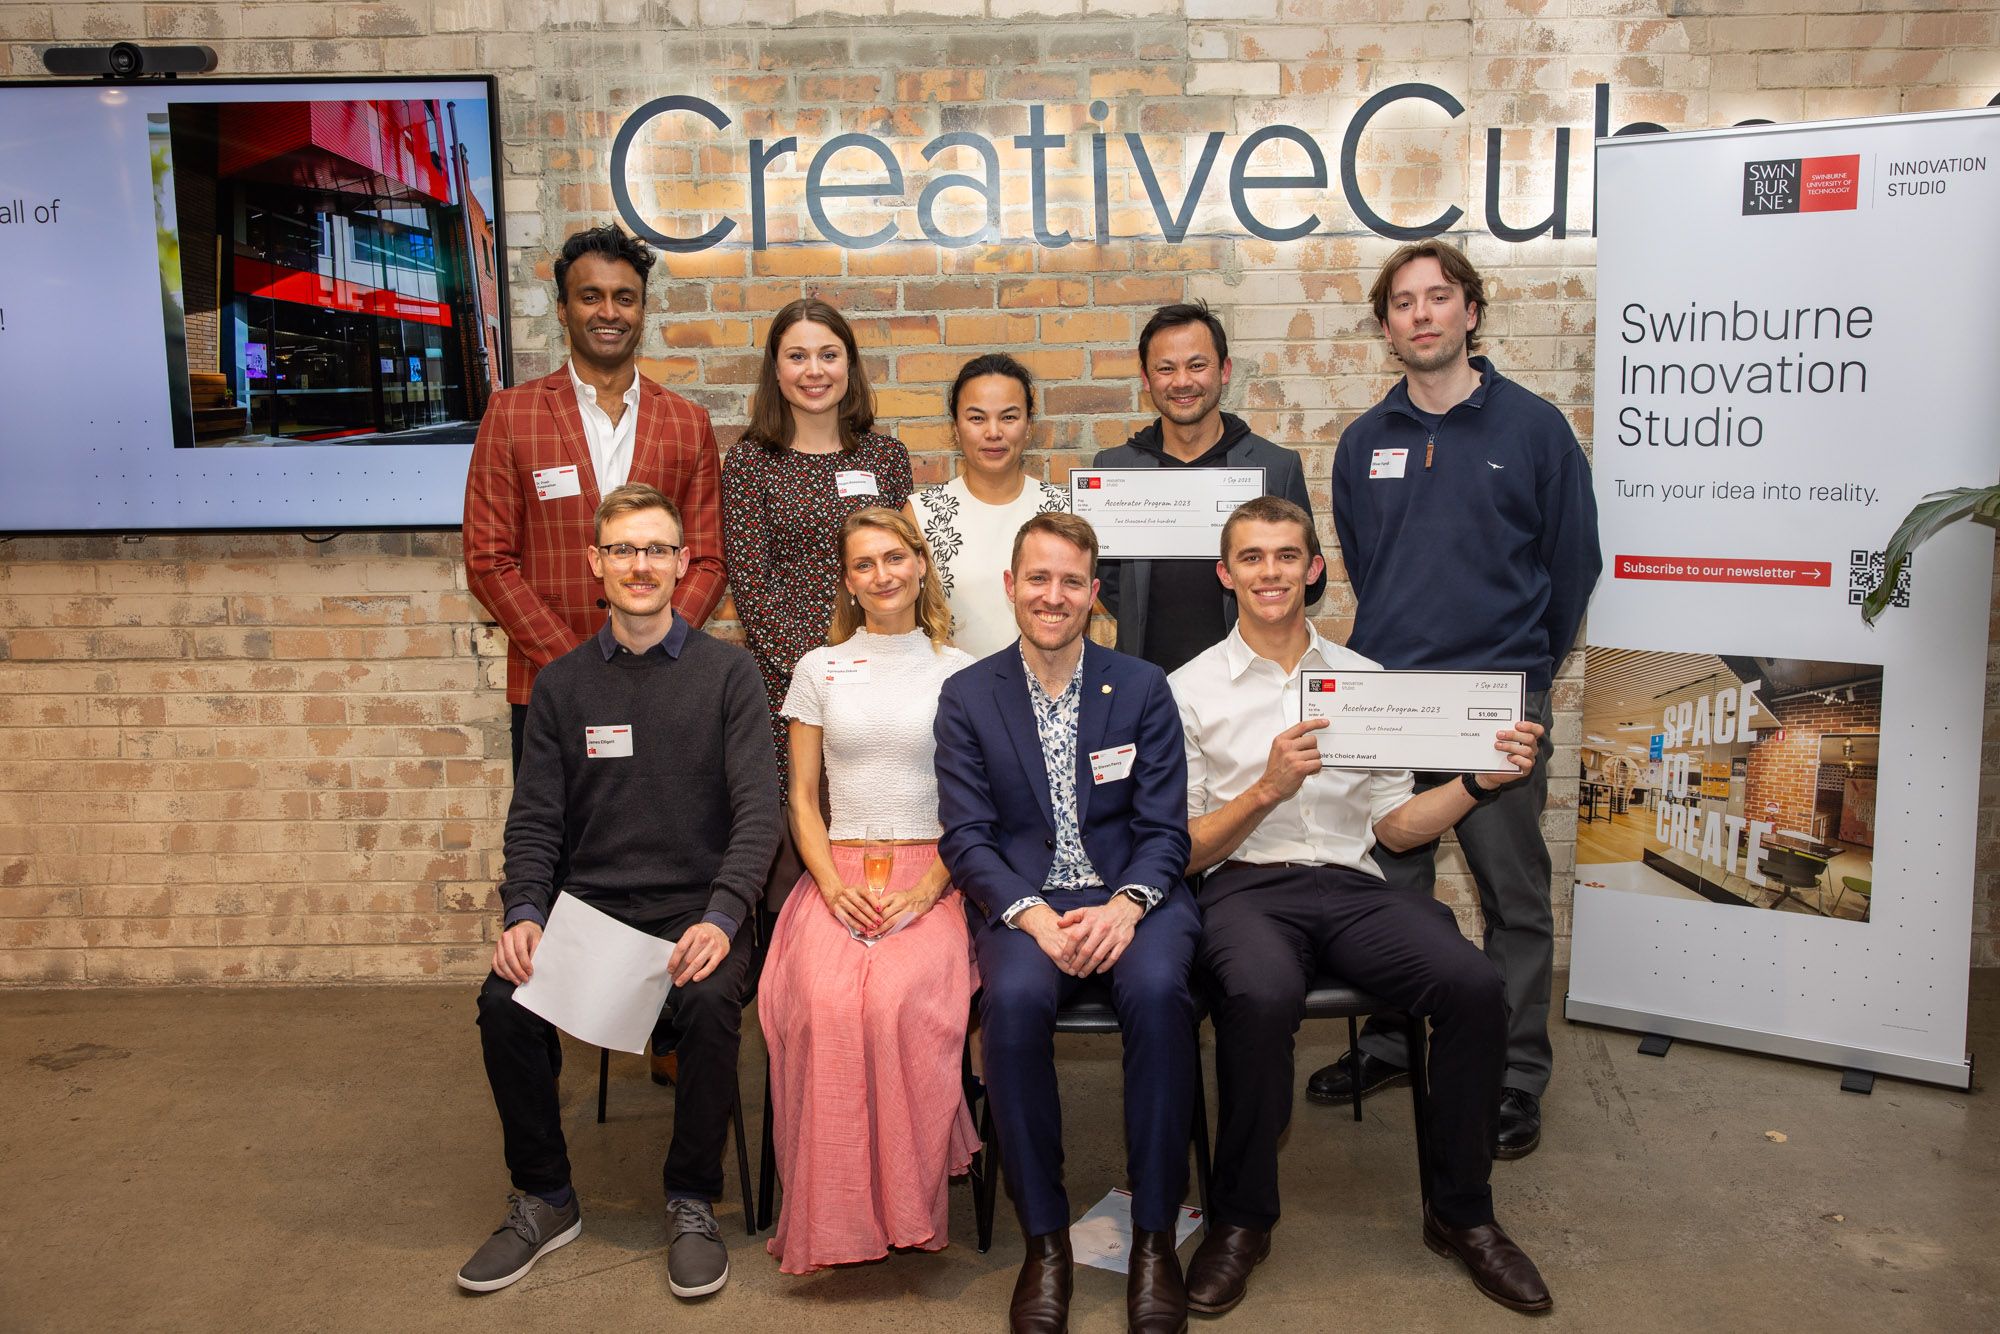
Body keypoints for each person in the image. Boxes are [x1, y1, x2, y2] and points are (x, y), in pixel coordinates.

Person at [1172, 495, 1553, 1316]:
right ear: (1225, 573)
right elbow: (1191, 849)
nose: (1269, 572)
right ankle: (1240, 1221)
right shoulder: (1187, 688)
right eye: (1251, 557)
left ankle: (1462, 1214)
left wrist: (1479, 781)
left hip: (1352, 886)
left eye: (1286, 556)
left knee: (1473, 985)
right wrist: (1267, 789)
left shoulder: (1367, 683)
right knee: (1257, 996)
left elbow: (1398, 831)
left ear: (1313, 570)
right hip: (1247, 886)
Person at [1314, 240, 1603, 1161]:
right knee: (1390, 893)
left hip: (1497, 704)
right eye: (1403, 303)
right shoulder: (1365, 442)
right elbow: (1369, 566)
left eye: (1440, 298)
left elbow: (1570, 568)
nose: (1423, 315)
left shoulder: (1535, 430)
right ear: (1387, 326)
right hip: (1392, 703)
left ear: (1471, 312)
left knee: (1511, 897)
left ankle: (1515, 1075)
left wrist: (1528, 678)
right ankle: (1396, 1038)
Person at [458, 484, 780, 1300]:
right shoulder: (562, 686)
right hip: (592, 913)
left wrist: (722, 914)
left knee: (709, 1009)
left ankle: (689, 1197)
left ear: (682, 564)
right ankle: (546, 1198)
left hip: (695, 910)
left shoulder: (728, 676)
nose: (642, 565)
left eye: (658, 549)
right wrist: (525, 912)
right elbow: (533, 822)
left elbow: (759, 815)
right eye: (624, 550)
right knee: (504, 1001)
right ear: (595, 564)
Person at [934, 513, 1199, 1334]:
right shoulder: (969, 694)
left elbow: (1166, 831)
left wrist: (1126, 904)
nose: (1054, 596)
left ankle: (1153, 1239)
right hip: (1025, 903)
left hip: (1133, 898)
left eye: (1072, 582)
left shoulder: (1143, 686)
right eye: (1038, 579)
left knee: (1159, 995)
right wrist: (1032, 915)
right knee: (1009, 1009)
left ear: (1094, 593)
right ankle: (1044, 1242)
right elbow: (966, 837)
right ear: (1011, 586)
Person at [758, 507, 979, 1273]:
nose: (881, 575)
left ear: (920, 564)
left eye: (894, 558)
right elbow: (803, 799)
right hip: (837, 873)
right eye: (863, 564)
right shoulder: (818, 668)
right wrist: (826, 885)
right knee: (821, 1003)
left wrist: (934, 885)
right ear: (846, 581)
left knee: (893, 1004)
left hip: (935, 873)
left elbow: (978, 804)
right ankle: (835, 1213)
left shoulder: (964, 671)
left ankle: (905, 1206)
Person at [463, 223, 726, 776]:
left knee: (670, 839)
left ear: (642, 311)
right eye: (591, 296)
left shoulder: (687, 422)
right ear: (562, 309)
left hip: (664, 686)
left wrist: (654, 647)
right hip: (548, 685)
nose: (609, 312)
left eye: (624, 298)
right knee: (551, 850)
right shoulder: (511, 415)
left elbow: (706, 560)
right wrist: (580, 666)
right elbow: (489, 561)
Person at [722, 297, 915, 792]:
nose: (814, 371)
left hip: (883, 674)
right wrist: (819, 676)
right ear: (776, 368)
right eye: (797, 356)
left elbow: (903, 570)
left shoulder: (887, 457)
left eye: (829, 355)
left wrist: (874, 669)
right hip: (790, 680)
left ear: (849, 364)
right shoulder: (750, 464)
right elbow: (752, 590)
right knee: (803, 819)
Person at [1091, 301, 1323, 675]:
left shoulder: (1275, 468)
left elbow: (1309, 581)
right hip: (1149, 681)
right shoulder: (1115, 468)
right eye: (1166, 368)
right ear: (1147, 380)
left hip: (1251, 680)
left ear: (1225, 370)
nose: (1182, 381)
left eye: (1197, 365)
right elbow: (1106, 578)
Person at [908, 353, 1069, 658]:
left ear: (1029, 426)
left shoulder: (1063, 510)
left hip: (1048, 687)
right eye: (977, 418)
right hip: (952, 693)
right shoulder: (921, 514)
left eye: (1008, 417)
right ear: (956, 428)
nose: (993, 432)